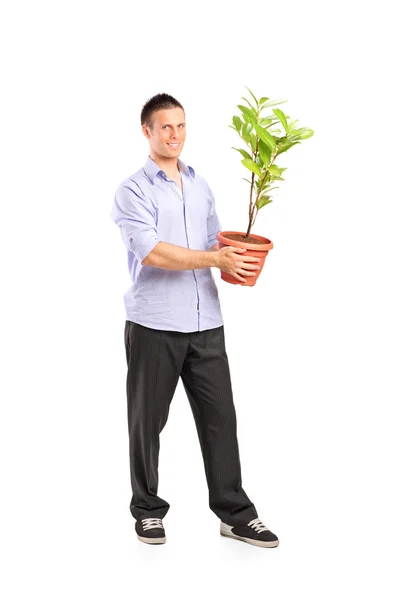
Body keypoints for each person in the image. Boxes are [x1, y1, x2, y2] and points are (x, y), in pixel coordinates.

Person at [110, 93, 279, 549]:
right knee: (147, 422)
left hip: (206, 321)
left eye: (181, 126)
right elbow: (151, 250)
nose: (175, 135)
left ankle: (235, 513)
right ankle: (147, 510)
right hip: (155, 323)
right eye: (166, 127)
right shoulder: (133, 190)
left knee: (221, 419)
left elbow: (212, 240)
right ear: (147, 131)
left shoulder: (200, 184)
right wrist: (212, 255)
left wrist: (238, 262)